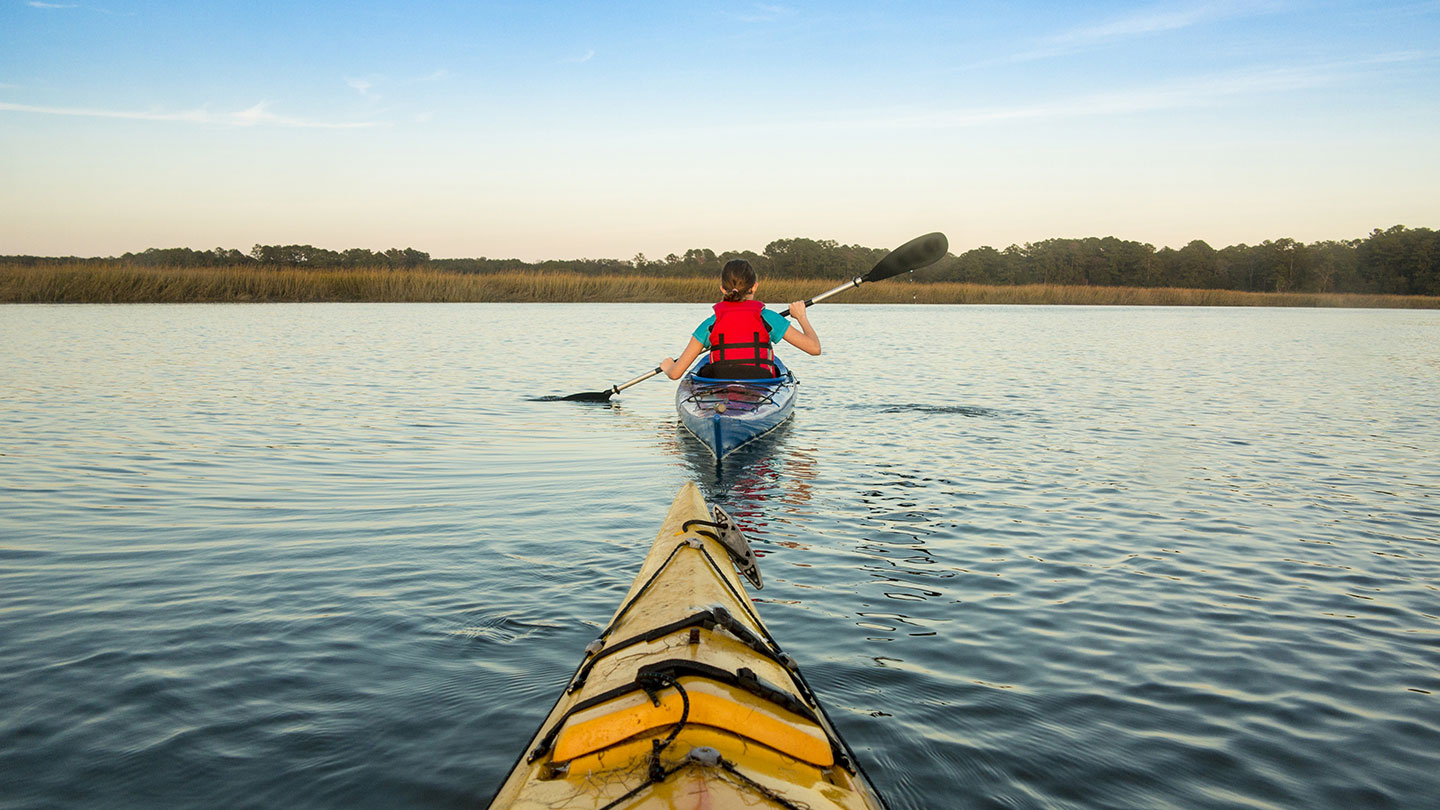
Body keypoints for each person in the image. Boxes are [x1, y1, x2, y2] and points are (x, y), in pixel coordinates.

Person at [660, 259, 821, 380]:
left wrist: (668, 367)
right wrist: (801, 317)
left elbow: (675, 374)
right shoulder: (768, 318)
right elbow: (814, 348)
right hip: (761, 384)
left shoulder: (712, 323)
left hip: (720, 384)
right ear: (755, 286)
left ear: (722, 288)